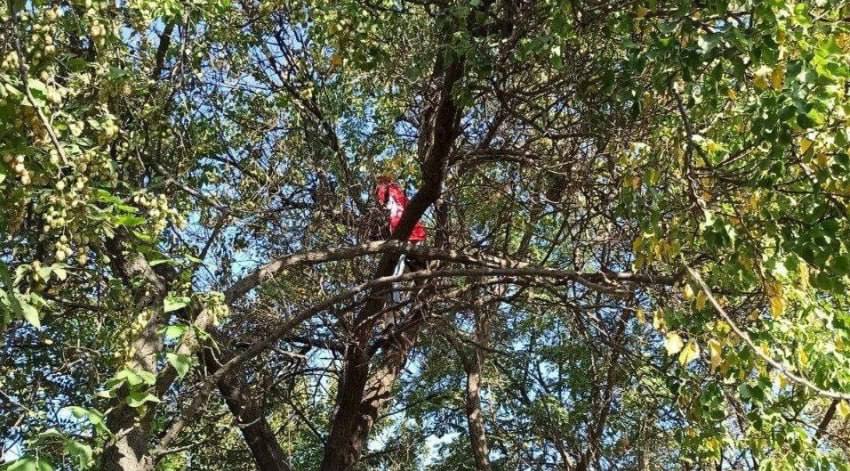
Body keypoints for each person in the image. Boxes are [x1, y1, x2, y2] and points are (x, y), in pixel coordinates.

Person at [374, 175, 427, 302]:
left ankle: (396, 297)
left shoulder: (386, 189)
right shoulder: (396, 190)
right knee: (404, 260)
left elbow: (386, 207)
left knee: (399, 263)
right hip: (412, 229)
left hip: (401, 227)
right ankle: (408, 293)